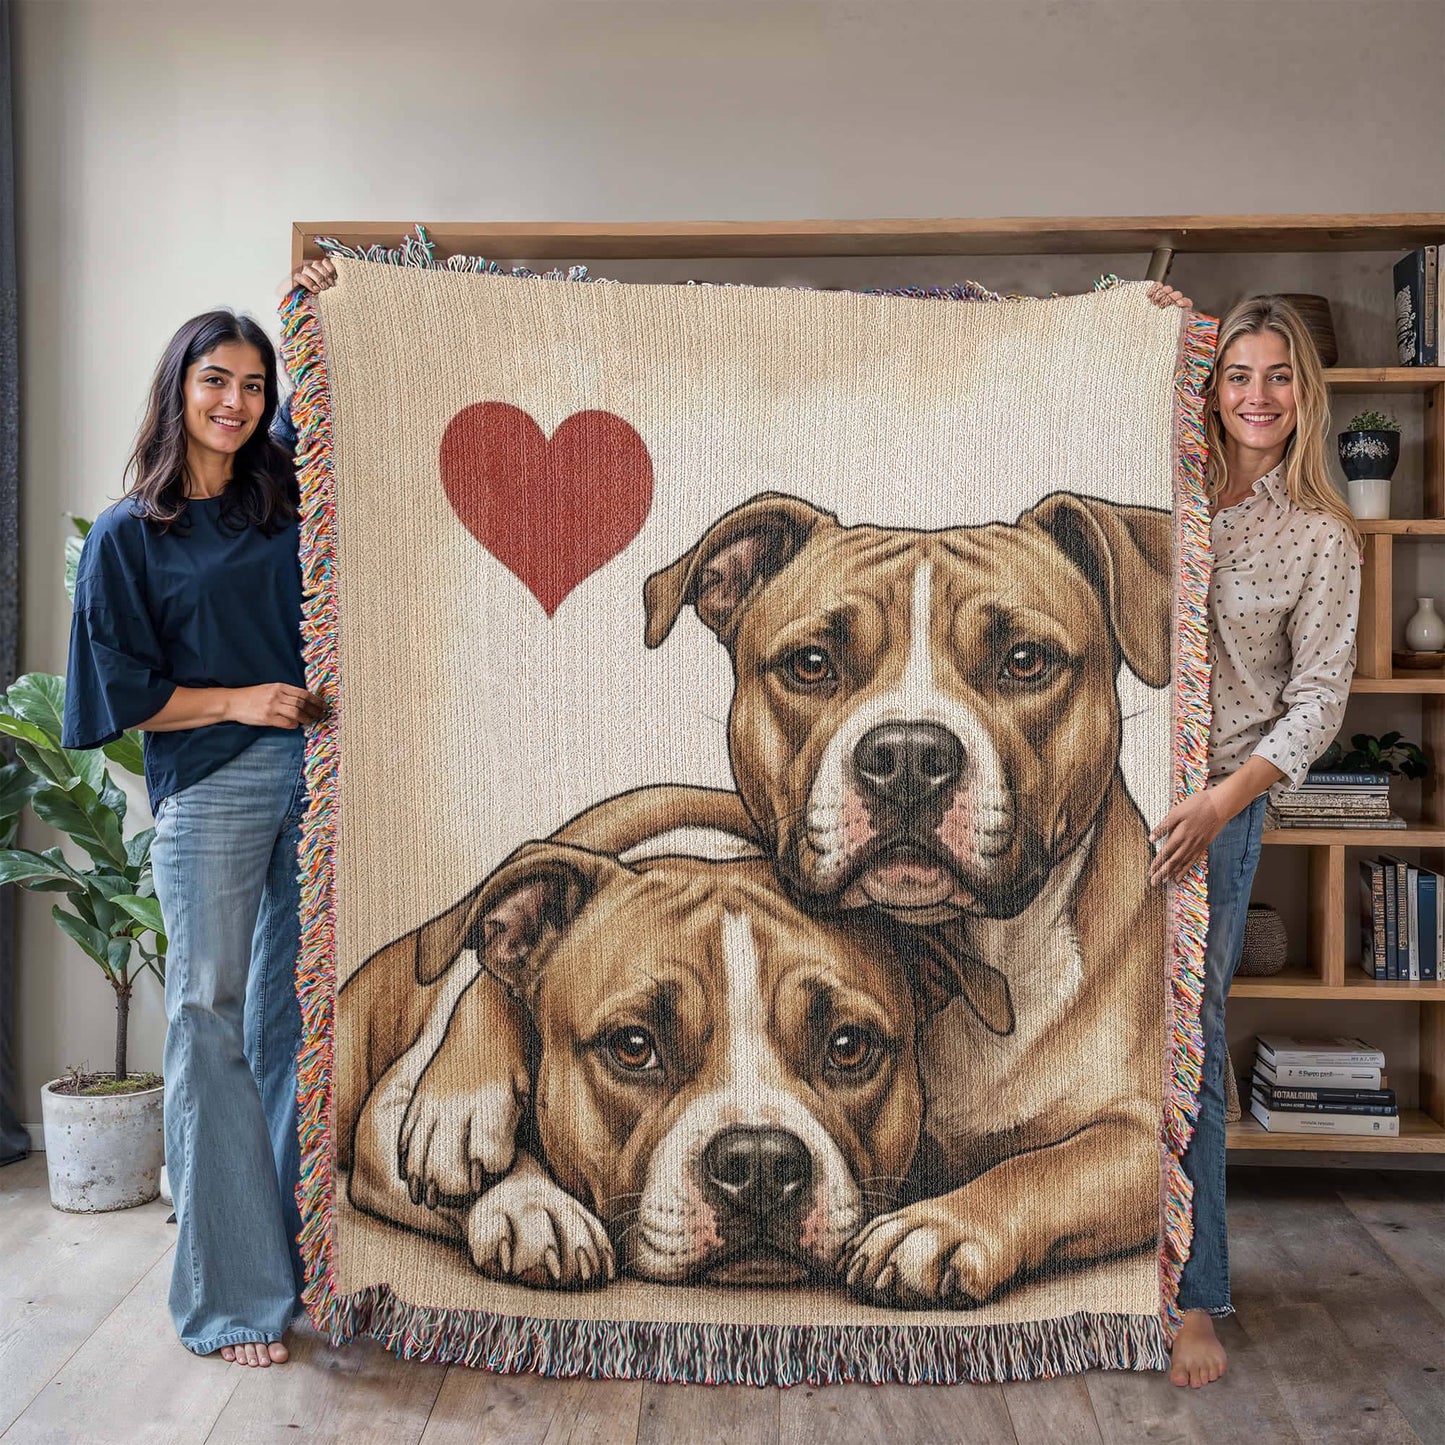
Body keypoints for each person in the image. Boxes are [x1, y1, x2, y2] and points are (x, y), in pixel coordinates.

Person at [62, 311, 325, 1367]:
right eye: (215, 381)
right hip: (209, 790)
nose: (235, 402)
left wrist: (312, 305)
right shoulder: (133, 532)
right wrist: (242, 701)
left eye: (254, 385)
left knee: (287, 1023)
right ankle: (227, 1299)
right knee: (206, 1020)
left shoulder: (283, 496)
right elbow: (119, 696)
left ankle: (282, 1265)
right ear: (178, 388)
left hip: (315, 783)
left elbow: (337, 406)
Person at [1146, 286, 1361, 1387]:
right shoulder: (1159, 490)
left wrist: (1219, 804)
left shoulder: (1319, 534)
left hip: (1216, 813)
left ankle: (1194, 1292)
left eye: (1278, 376)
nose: (1257, 395)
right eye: (1238, 374)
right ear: (1209, 385)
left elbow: (1316, 701)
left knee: (1191, 1033)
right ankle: (1086, 1267)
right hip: (1117, 792)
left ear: (1302, 392)